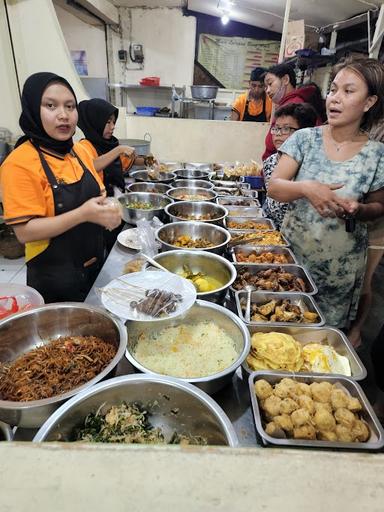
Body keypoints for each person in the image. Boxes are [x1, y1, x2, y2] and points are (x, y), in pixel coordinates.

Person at [268, 56, 384, 330]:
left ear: (369, 102)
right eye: (332, 89)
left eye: (348, 91)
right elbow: (274, 187)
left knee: (320, 351)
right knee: (277, 331)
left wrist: (359, 209)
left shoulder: (377, 155)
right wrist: (307, 188)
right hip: (290, 264)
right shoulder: (304, 139)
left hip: (339, 272)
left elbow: (379, 207)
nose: (335, 98)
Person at [0, 72, 121, 303]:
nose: (63, 115)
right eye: (51, 106)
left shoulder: (80, 151)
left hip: (96, 266)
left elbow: (98, 195)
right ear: (34, 109)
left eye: (70, 106)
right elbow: (25, 232)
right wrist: (83, 214)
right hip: (55, 279)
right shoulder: (19, 163)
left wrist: (109, 209)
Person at [347, 122, 384, 347]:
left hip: (374, 224)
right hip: (348, 224)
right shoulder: (370, 124)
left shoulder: (377, 149)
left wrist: (361, 209)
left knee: (364, 282)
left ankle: (356, 331)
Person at [77, 98, 153, 197]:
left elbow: (130, 160)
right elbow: (92, 166)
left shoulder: (110, 143)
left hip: (117, 196)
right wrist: (118, 150)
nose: (113, 126)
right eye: (108, 122)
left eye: (113, 122)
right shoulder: (84, 146)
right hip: (100, 201)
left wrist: (148, 160)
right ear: (95, 122)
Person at [262, 103, 318, 229]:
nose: (278, 134)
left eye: (286, 128)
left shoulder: (312, 166)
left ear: (304, 133)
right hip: (272, 230)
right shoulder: (270, 162)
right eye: (276, 128)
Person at [263, 63, 323, 160]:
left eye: (270, 84)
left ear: (285, 79)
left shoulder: (293, 105)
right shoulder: (288, 104)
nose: (268, 90)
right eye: (266, 87)